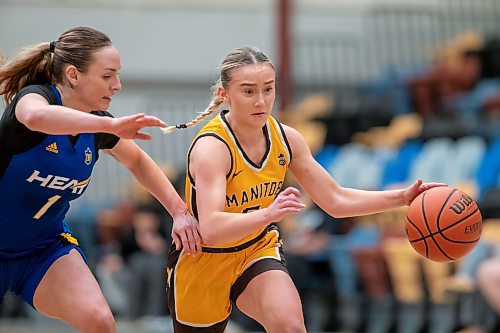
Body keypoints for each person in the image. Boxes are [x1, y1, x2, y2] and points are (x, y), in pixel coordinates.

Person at [162, 46, 445, 333]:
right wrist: (268, 213)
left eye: (268, 89)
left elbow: (335, 199)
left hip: (256, 250)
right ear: (225, 95)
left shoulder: (287, 139)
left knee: (290, 327)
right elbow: (210, 226)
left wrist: (402, 197)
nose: (261, 100)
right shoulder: (213, 147)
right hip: (204, 258)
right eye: (248, 92)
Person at [0, 26, 201, 333]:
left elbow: (137, 160)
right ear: (73, 75)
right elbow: (36, 118)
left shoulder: (99, 127)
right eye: (108, 75)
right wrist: (111, 125)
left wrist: (179, 212)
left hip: (41, 249)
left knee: (100, 322)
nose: (117, 85)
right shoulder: (35, 98)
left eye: (117, 75)